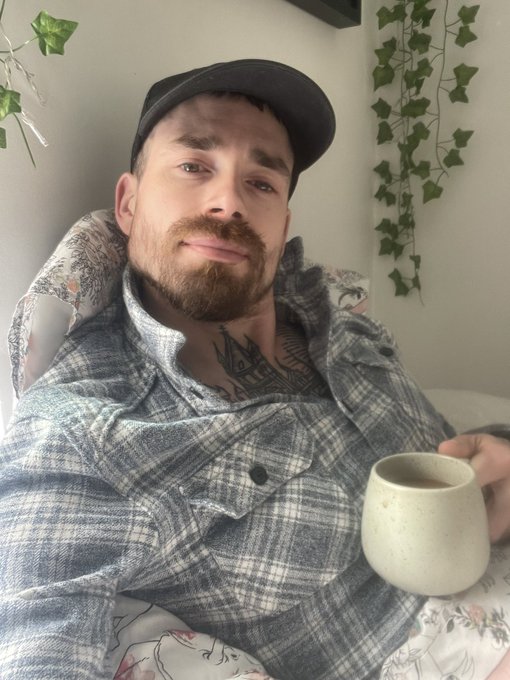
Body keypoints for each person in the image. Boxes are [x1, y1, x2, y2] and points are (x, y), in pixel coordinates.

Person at [0, 58, 509, 680]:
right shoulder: (77, 434)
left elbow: (454, 455)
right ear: (128, 203)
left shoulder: (347, 328)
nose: (228, 202)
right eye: (194, 165)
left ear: (283, 223)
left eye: (263, 182)